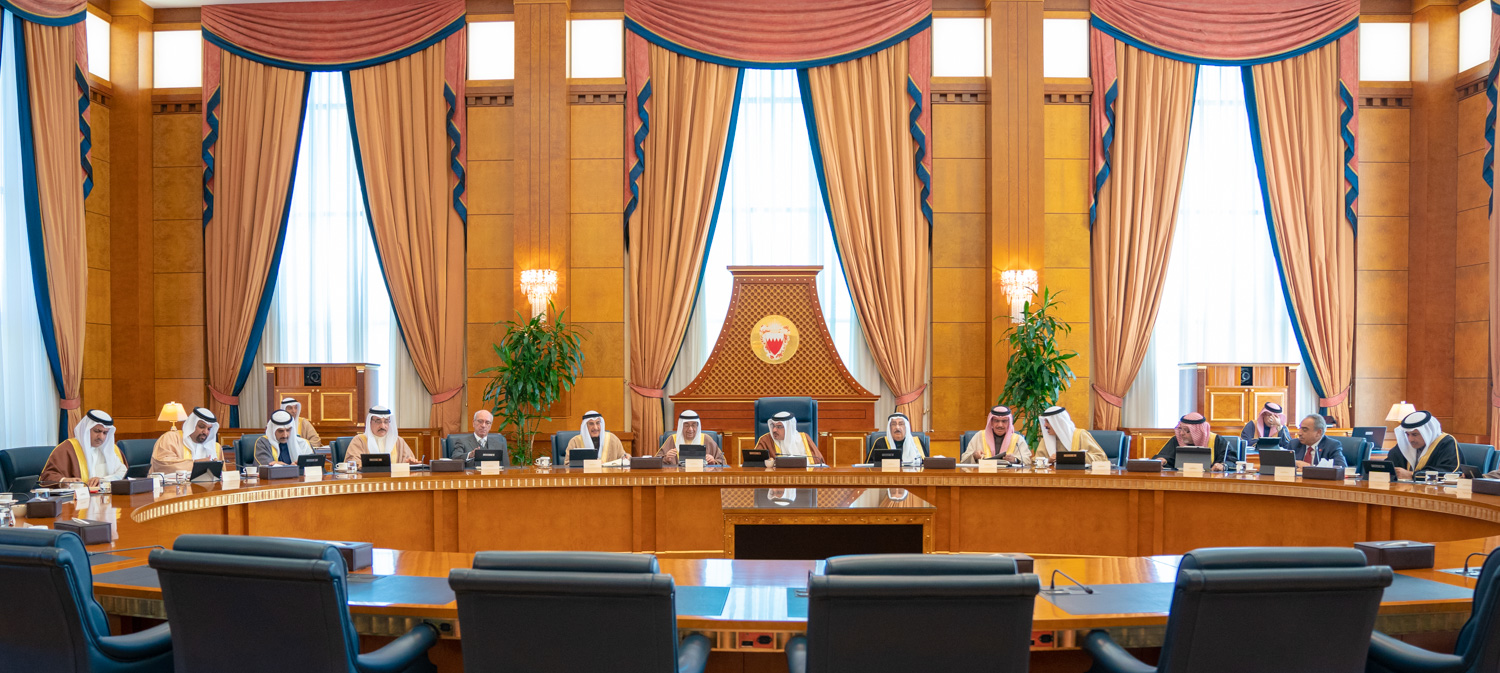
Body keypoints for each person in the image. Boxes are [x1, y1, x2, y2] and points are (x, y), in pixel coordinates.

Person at [41, 410, 128, 487]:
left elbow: (123, 472)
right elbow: (47, 476)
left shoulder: (112, 450)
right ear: (86, 429)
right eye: (97, 431)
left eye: (105, 433)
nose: (101, 437)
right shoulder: (67, 449)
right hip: (76, 498)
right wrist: (64, 481)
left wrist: (104, 480)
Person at [1152, 412, 1236, 471]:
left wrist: (1223, 466)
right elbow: (1165, 457)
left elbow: (1232, 461)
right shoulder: (1176, 440)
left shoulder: (1216, 440)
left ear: (1198, 432)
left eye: (1186, 431)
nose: (1181, 433)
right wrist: (1161, 460)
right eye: (1180, 429)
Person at [150, 407, 222, 474]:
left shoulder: (216, 448)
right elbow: (163, 464)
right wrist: (196, 464)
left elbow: (222, 474)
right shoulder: (171, 438)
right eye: (202, 426)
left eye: (209, 429)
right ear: (192, 424)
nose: (205, 432)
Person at [1390, 410, 1459, 479]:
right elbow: (1389, 464)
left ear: (1428, 432)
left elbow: (1449, 471)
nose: (1410, 439)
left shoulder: (1446, 443)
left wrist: (1413, 475)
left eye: (1415, 434)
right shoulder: (1405, 443)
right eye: (1407, 434)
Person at [345, 406, 418, 466]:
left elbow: (408, 461)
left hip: (393, 479)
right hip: (368, 478)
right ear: (370, 422)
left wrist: (409, 464)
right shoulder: (359, 440)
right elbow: (352, 462)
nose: (382, 426)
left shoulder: (398, 441)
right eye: (378, 421)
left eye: (386, 422)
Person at [1038, 406, 1109, 465]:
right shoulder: (1046, 440)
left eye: (1048, 422)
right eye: (1045, 422)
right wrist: (1048, 460)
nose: (1045, 425)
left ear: (1059, 423)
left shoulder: (1080, 435)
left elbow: (1101, 458)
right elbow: (1035, 461)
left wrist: (1077, 457)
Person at [961, 405, 1030, 464]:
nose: (1000, 425)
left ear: (1009, 422)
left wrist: (1015, 460)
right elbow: (963, 460)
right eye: (996, 421)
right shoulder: (979, 436)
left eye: (1004, 421)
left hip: (1009, 475)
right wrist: (974, 456)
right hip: (984, 474)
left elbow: (1028, 461)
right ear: (991, 422)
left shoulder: (1018, 439)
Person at [657, 410, 725, 466]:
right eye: (686, 425)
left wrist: (713, 461)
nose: (690, 429)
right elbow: (656, 461)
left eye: (693, 425)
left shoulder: (706, 439)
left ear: (697, 426)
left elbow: (723, 462)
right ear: (681, 427)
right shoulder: (672, 439)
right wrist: (666, 458)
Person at [752, 411, 825, 463]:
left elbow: (819, 462)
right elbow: (754, 463)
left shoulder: (804, 438)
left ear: (789, 428)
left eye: (779, 426)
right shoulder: (765, 440)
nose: (774, 430)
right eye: (773, 426)